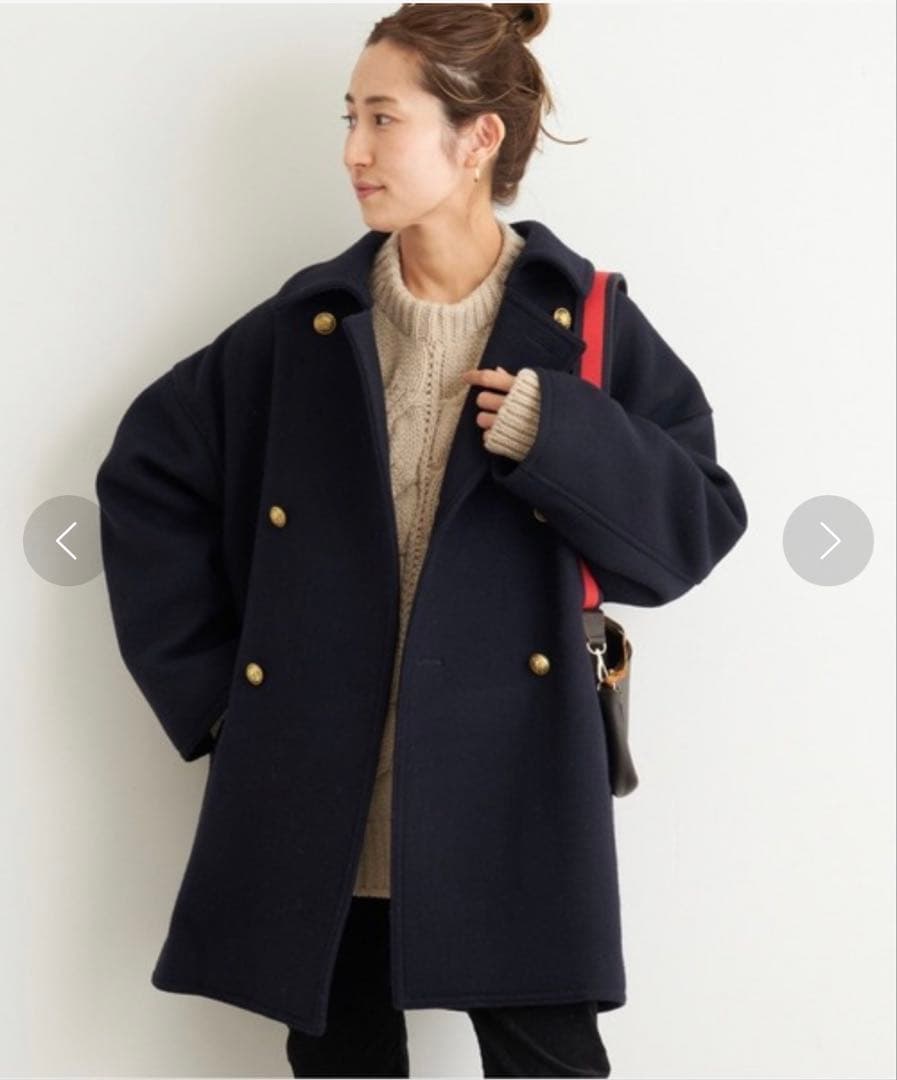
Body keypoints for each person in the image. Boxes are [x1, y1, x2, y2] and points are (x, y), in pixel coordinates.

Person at [95, 3, 747, 1077]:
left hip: (511, 785)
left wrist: (551, 431)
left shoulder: (581, 320)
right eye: (349, 118)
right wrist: (221, 696)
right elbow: (146, 476)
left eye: (383, 119)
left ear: (477, 137)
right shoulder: (307, 326)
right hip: (324, 792)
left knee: (549, 1060)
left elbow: (695, 529)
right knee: (340, 1059)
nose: (353, 151)